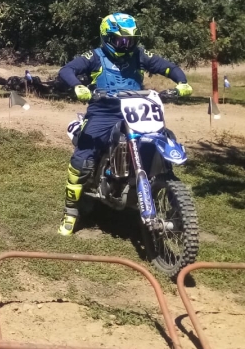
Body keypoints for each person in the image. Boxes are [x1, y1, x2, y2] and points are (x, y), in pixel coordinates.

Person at [56, 12, 193, 236]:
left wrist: (182, 82)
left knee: (165, 136)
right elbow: (67, 70)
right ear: (107, 38)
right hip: (103, 110)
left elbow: (167, 66)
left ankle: (163, 185)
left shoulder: (139, 54)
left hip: (137, 109)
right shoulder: (95, 56)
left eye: (130, 40)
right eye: (121, 40)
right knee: (84, 157)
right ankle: (71, 211)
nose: (126, 45)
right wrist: (78, 87)